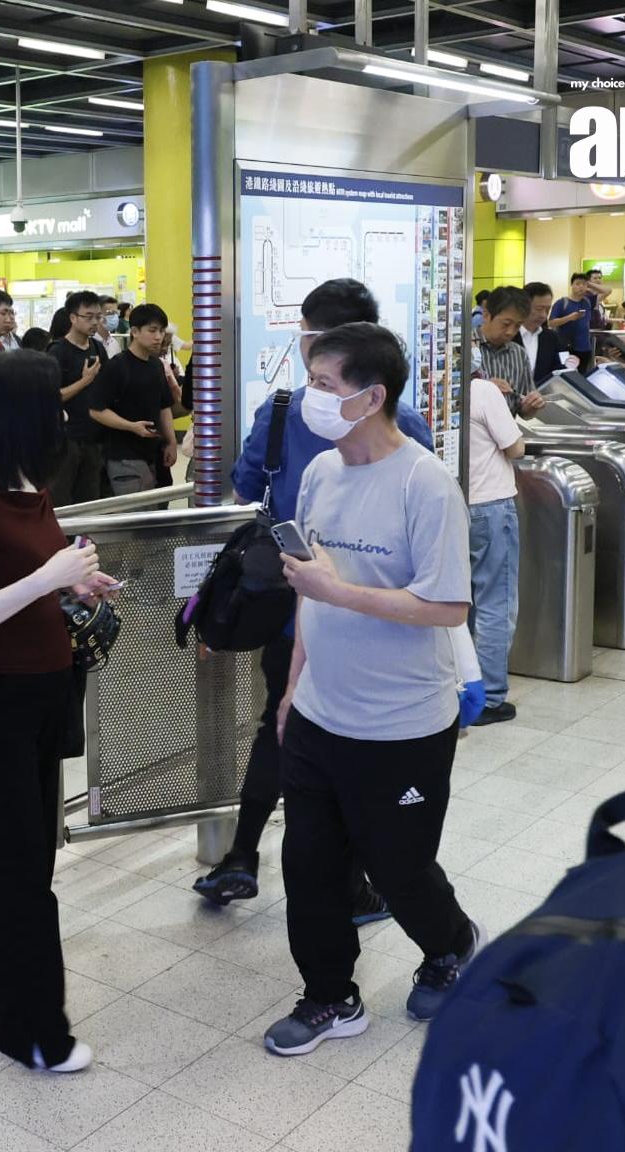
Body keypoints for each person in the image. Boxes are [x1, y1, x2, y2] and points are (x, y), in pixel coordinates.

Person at [260, 322, 481, 1058]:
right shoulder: (322, 473)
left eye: (323, 385)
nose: (308, 398)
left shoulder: (426, 483)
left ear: (371, 396)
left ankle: (450, 944)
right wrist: (294, 688)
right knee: (310, 866)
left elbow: (448, 607)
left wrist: (339, 591)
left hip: (404, 722)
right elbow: (309, 591)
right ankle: (330, 996)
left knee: (398, 866)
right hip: (323, 712)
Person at [202, 277, 431, 910]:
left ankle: (242, 855)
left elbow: (246, 482)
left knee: (282, 724)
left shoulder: (279, 411)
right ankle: (353, 884)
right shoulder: (402, 422)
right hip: (367, 617)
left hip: (293, 607)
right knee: (349, 747)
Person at [0, 350, 118, 1073]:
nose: (64, 415)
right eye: (52, 403)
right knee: (20, 866)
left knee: (28, 853)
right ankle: (34, 1030)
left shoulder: (31, 490)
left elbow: (30, 578)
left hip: (47, 688)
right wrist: (49, 575)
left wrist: (77, 583)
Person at [467, 289, 530, 726]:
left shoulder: (439, 392)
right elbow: (516, 448)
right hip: (491, 505)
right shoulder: (485, 392)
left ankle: (461, 687)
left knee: (460, 602)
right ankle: (489, 696)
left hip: (456, 505)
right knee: (495, 602)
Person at [89, 303, 178, 495]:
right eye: (152, 330)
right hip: (123, 456)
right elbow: (96, 410)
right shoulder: (117, 366)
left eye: (161, 331)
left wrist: (171, 441)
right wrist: (131, 426)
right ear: (135, 332)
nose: (158, 337)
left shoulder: (156, 366)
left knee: (154, 513)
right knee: (135, 515)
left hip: (153, 453)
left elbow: (164, 407)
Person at [47, 290, 109, 507]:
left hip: (93, 438)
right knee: (62, 501)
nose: (95, 322)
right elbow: (51, 397)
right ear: (73, 318)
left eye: (98, 317)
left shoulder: (98, 347)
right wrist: (85, 381)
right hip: (66, 439)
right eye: (88, 316)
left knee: (90, 501)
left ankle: (85, 542)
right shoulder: (57, 351)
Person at [476, 285, 545, 417]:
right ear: (486, 315)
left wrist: (531, 405)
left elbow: (525, 412)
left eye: (518, 326)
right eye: (506, 324)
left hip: (507, 433)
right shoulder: (464, 348)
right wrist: (483, 388)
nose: (510, 332)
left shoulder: (519, 354)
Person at [520, 282, 571, 388]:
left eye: (547, 310)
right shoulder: (508, 335)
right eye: (539, 309)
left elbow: (562, 367)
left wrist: (571, 365)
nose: (543, 315)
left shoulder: (552, 337)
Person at [548, 271, 600, 372]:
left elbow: (607, 291)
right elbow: (551, 322)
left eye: (584, 284)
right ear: (571, 285)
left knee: (582, 377)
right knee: (567, 376)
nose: (581, 287)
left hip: (585, 347)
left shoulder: (588, 301)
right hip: (567, 347)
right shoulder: (562, 302)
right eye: (577, 284)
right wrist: (569, 318)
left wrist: (589, 284)